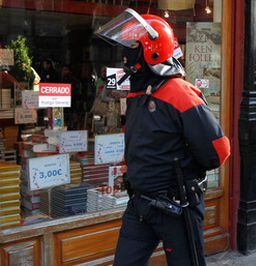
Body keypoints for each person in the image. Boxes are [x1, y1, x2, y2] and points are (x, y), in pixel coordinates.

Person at [95, 9, 230, 266]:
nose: (126, 54)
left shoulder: (179, 92)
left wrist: (182, 172)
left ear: (153, 48)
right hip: (140, 204)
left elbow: (218, 150)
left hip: (176, 207)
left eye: (133, 46)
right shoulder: (138, 94)